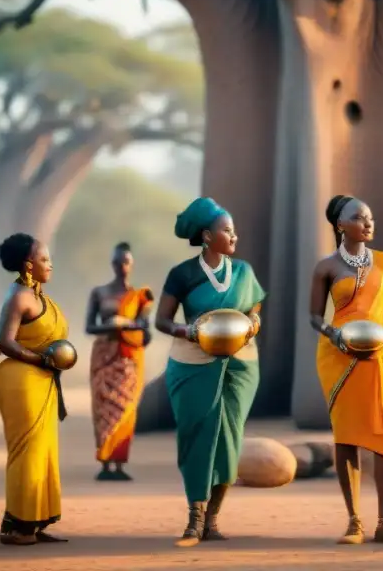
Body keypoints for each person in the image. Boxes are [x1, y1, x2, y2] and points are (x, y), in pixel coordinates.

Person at [155, 197, 265, 547]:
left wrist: (253, 324)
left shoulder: (244, 272)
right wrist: (187, 331)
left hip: (239, 364)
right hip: (192, 361)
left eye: (233, 230)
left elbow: (255, 309)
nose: (234, 236)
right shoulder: (182, 274)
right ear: (206, 235)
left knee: (229, 441)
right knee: (197, 436)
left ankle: (213, 520)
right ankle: (194, 517)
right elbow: (161, 320)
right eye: (226, 230)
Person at [309, 195, 383, 546]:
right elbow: (314, 316)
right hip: (340, 356)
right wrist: (332, 333)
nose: (368, 223)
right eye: (359, 217)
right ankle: (354, 521)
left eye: (370, 217)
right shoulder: (326, 267)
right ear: (341, 225)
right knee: (347, 436)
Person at [0, 233, 70, 546]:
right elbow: (5, 341)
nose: (50, 264)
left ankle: (36, 522)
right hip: (21, 379)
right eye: (44, 259)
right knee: (27, 452)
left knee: (44, 451)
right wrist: (40, 358)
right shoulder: (20, 296)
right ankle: (16, 526)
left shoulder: (39, 295)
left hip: (43, 379)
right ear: (27, 265)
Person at [86, 241, 154, 481]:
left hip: (128, 359)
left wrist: (128, 326)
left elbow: (146, 332)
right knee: (104, 407)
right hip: (104, 356)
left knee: (125, 409)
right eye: (117, 261)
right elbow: (89, 326)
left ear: (131, 264)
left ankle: (120, 462)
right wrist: (110, 325)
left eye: (125, 261)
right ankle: (105, 462)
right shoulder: (99, 293)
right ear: (112, 264)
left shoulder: (140, 297)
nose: (121, 266)